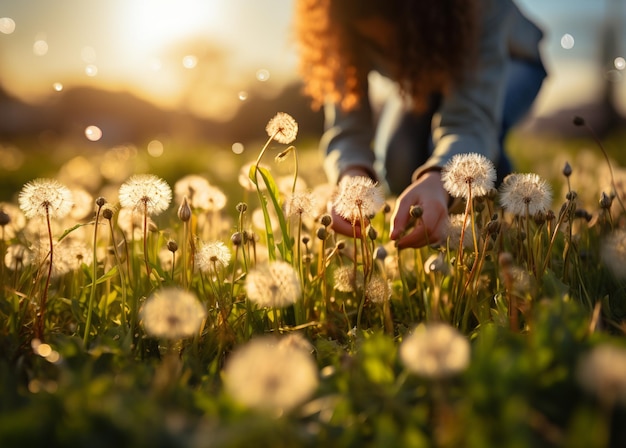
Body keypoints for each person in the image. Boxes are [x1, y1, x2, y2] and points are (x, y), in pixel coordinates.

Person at [294, 0, 546, 249]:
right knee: (399, 162)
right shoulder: (342, 19)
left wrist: (439, 177)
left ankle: (506, 213)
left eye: (393, 41)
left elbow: (471, 119)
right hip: (423, 77)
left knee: (476, 144)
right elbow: (346, 126)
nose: (387, 52)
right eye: (375, 44)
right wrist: (351, 176)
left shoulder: (480, 7)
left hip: (514, 62)